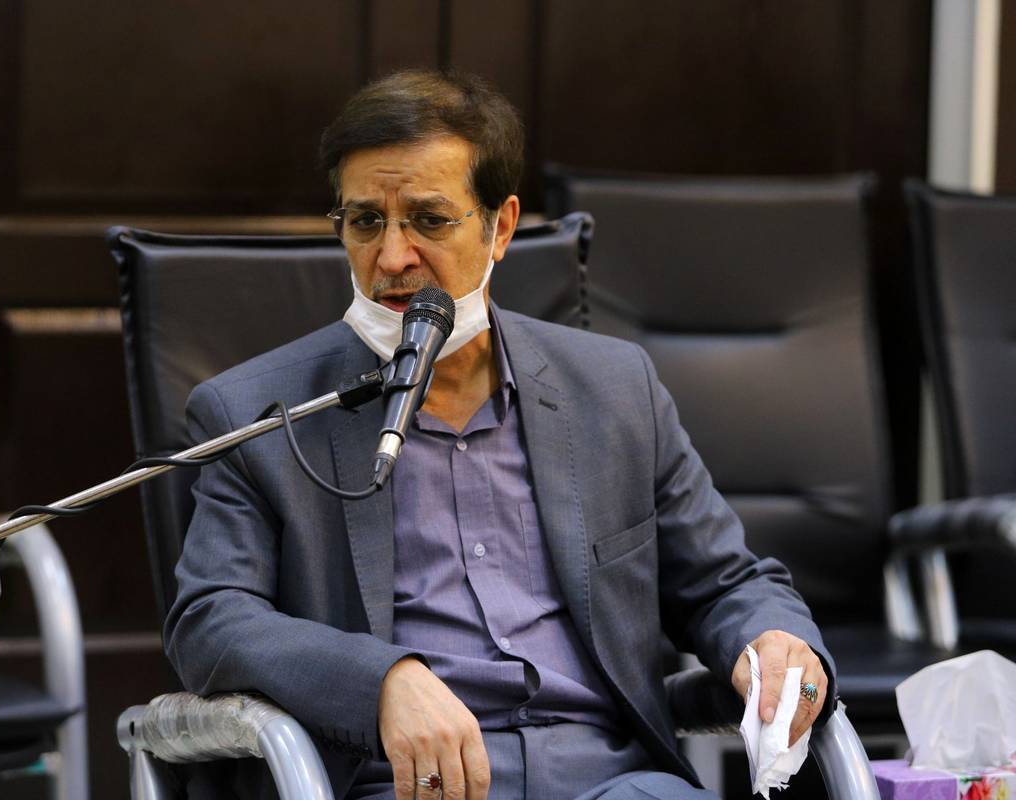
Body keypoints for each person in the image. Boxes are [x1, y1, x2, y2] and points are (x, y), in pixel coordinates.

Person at [166, 69, 835, 800]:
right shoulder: (260, 413)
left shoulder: (614, 389)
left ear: (502, 227)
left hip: (611, 781)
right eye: (365, 222)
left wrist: (776, 645)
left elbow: (726, 584)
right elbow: (212, 621)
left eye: (429, 220)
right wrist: (380, 681)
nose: (392, 259)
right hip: (403, 783)